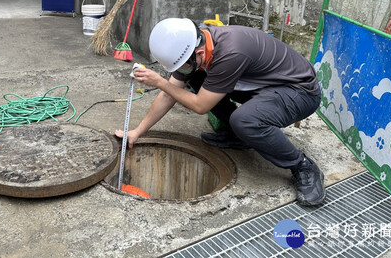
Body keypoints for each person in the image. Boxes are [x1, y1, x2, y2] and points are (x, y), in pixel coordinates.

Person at [115, 18, 325, 206]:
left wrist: (160, 82)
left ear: (197, 53)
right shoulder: (192, 44)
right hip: (263, 85)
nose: (182, 69)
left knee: (245, 120)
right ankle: (239, 136)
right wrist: (137, 132)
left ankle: (302, 166)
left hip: (299, 91)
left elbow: (200, 106)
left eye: (183, 65)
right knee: (197, 77)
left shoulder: (230, 53)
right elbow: (169, 94)